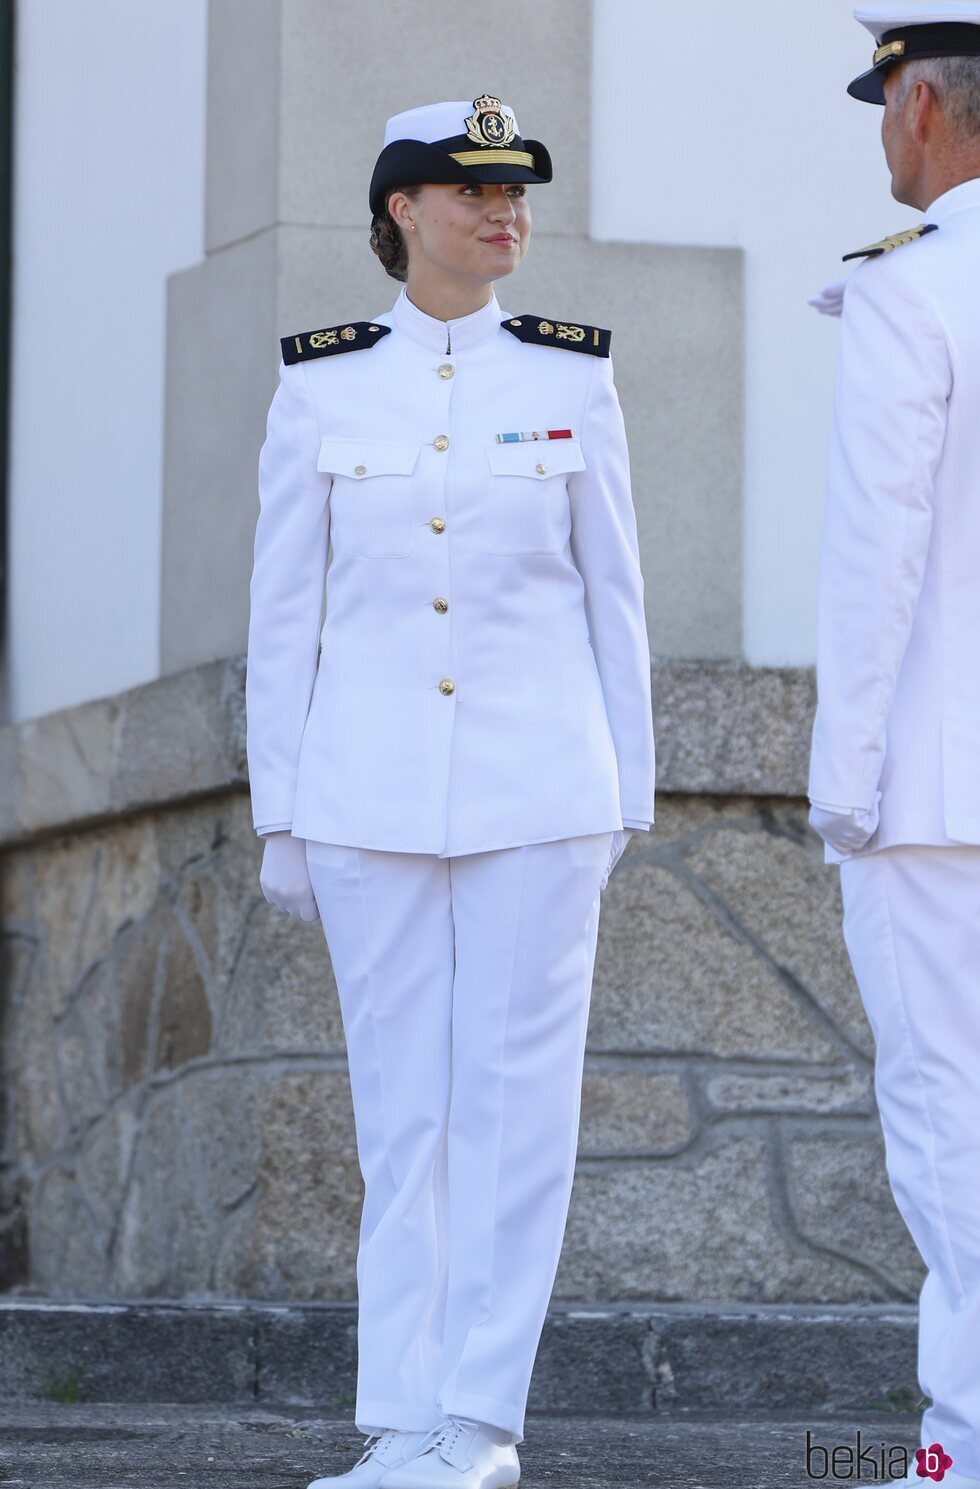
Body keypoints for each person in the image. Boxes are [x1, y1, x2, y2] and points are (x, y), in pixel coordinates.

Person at [245, 94, 655, 1489]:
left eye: (517, 192)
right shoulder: (320, 386)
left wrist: (628, 793)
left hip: (542, 790)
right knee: (400, 1117)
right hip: (364, 798)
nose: (504, 212)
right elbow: (280, 612)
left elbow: (619, 601)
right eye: (471, 190)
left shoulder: (570, 380)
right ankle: (397, 1424)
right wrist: (281, 811)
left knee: (515, 1109)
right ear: (401, 212)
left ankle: (479, 1424)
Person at [808, 7, 980, 1486]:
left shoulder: (913, 295)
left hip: (938, 794)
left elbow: (879, 561)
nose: (882, 130)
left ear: (926, 105)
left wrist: (840, 783)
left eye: (882, 102)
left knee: (951, 1127)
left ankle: (963, 1448)